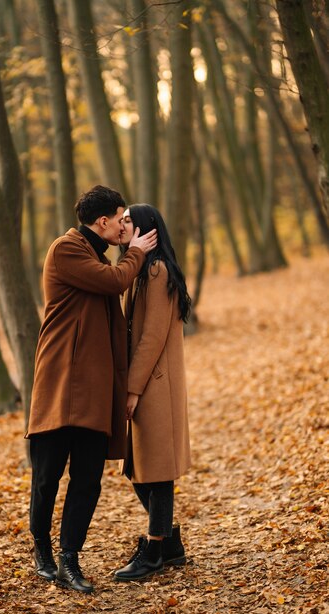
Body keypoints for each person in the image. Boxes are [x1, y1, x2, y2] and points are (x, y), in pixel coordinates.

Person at [26, 186, 157, 594]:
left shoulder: (94, 253)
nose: (125, 225)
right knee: (47, 477)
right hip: (60, 383)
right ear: (103, 222)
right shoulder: (66, 250)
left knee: (87, 479)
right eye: (121, 218)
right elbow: (115, 281)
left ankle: (69, 560)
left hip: (94, 390)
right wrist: (135, 251)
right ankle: (43, 551)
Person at [113, 203, 192, 582]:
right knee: (137, 468)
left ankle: (155, 550)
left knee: (156, 472)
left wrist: (132, 390)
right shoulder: (143, 270)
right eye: (122, 220)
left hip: (155, 385)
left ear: (147, 228)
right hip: (148, 383)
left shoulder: (157, 271)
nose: (123, 225)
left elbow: (151, 337)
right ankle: (170, 542)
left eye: (129, 220)